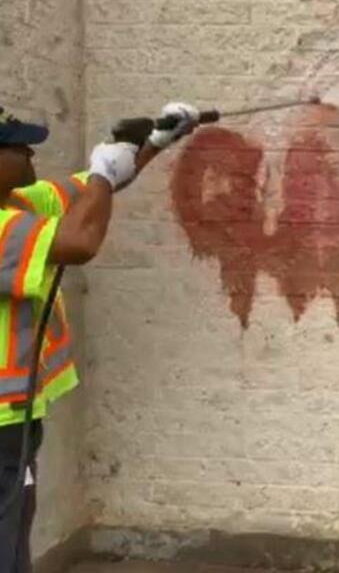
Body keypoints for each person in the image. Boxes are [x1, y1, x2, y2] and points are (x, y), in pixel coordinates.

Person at [0, 102, 199, 572]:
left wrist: (150, 144)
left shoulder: (19, 203)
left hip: (16, 413)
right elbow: (80, 241)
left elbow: (92, 190)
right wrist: (104, 174)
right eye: (16, 146)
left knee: (13, 527)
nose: (30, 151)